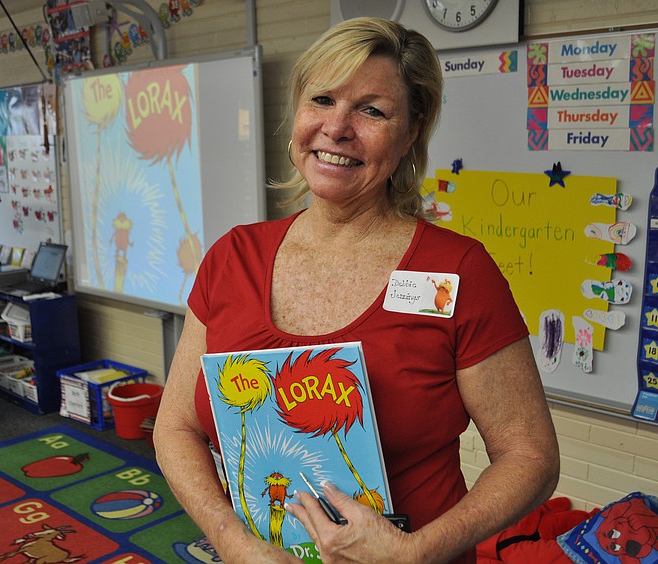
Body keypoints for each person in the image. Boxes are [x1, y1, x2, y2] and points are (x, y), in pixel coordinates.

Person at [154, 16, 560, 563]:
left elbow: (530, 456)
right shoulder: (232, 258)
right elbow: (175, 428)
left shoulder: (458, 271)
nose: (337, 127)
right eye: (322, 100)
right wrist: (232, 541)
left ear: (411, 132)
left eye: (372, 111)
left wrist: (415, 552)